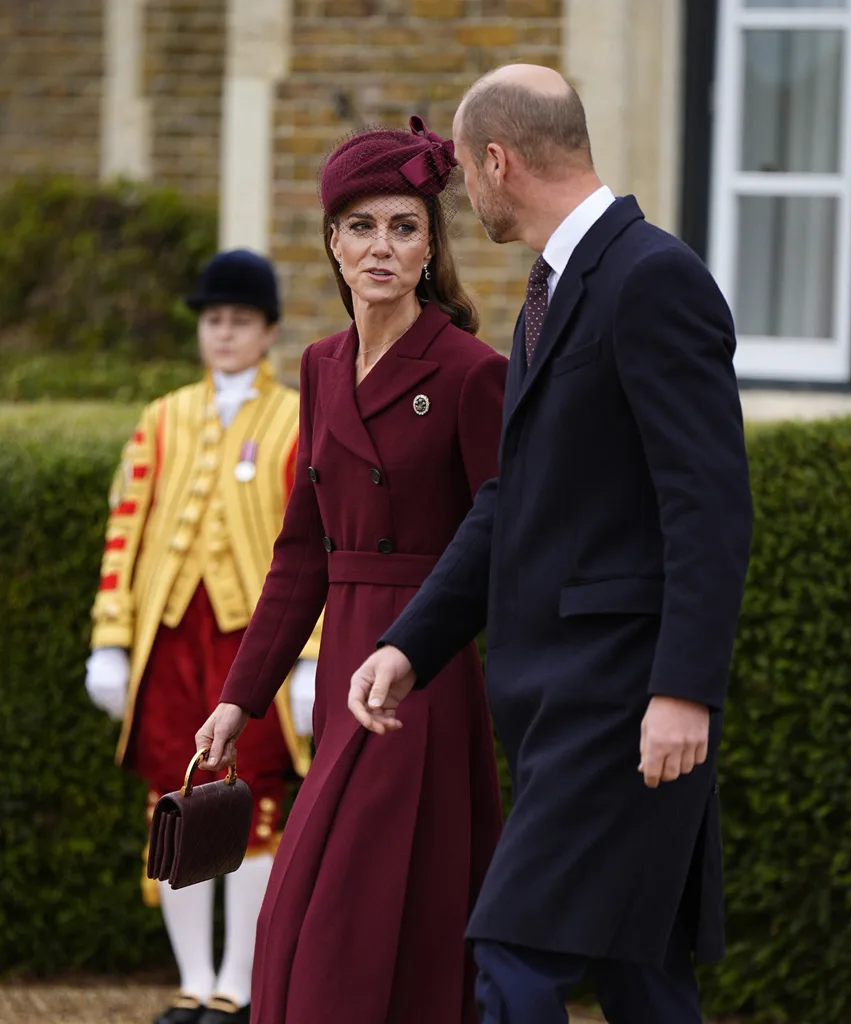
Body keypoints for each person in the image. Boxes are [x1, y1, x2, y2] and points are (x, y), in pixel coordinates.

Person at [348, 65, 755, 1024]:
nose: (459, 191)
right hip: (561, 706)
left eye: (461, 169)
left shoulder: (651, 276)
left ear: (498, 159)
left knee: (514, 952)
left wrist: (684, 689)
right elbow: (509, 500)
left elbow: (709, 503)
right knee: (638, 975)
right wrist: (411, 643)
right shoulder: (551, 289)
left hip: (619, 702)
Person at [195, 117, 506, 1024]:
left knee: (363, 905)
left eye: (404, 227)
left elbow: (500, 536)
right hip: (342, 666)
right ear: (331, 242)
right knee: (307, 897)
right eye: (361, 226)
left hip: (423, 668)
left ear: (428, 247)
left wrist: (426, 650)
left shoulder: (468, 371)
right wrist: (237, 698)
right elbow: (301, 553)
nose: (381, 247)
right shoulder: (321, 365)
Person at [85, 249, 321, 1024]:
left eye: (240, 322)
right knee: (171, 800)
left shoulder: (294, 418)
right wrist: (112, 638)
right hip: (169, 641)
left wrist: (312, 659)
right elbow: (125, 532)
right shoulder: (162, 418)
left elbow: (315, 550)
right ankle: (191, 981)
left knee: (251, 803)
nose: (223, 335)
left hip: (252, 647)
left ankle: (239, 983)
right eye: (213, 321)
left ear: (269, 331)